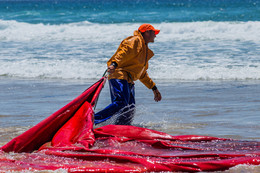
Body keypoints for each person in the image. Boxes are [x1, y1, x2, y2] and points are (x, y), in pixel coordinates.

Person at [94, 24, 162, 125]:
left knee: (129, 109)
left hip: (128, 80)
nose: (155, 36)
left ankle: (121, 128)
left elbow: (142, 74)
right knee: (121, 103)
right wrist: (114, 64)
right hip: (119, 74)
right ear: (147, 32)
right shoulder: (135, 41)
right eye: (154, 33)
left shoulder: (144, 50)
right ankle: (93, 119)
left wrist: (154, 88)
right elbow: (123, 53)